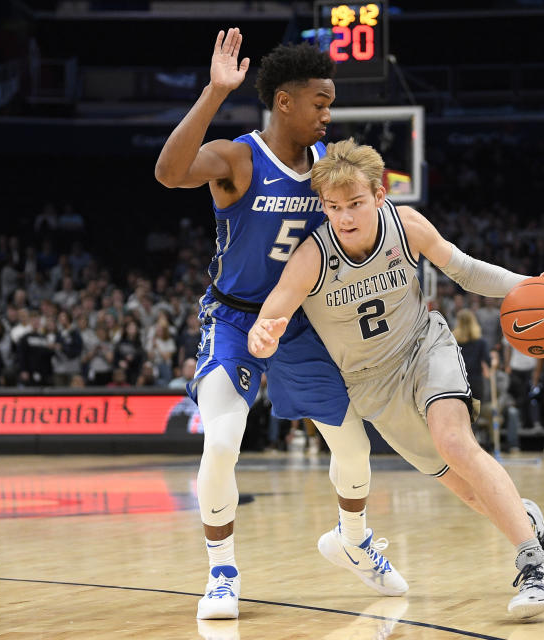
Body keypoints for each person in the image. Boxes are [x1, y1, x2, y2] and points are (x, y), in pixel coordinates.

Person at [248, 139, 544, 619]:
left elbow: (466, 271)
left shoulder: (406, 227)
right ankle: (532, 527)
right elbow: (271, 314)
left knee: (455, 442)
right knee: (466, 489)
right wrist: (263, 335)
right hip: (372, 386)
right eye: (334, 207)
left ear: (380, 195)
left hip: (424, 347)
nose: (345, 217)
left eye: (356, 203)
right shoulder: (312, 258)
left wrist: (531, 287)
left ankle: (536, 570)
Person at [155, 30, 404, 619]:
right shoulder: (238, 158)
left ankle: (355, 540)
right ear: (285, 102)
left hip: (300, 322)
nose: (328, 113)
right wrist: (216, 92)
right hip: (236, 320)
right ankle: (221, 573)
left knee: (352, 445)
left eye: (330, 103)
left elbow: (370, 221)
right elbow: (169, 172)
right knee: (221, 440)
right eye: (320, 102)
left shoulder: (328, 168)